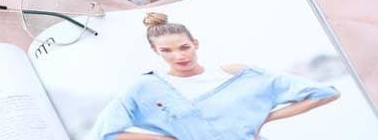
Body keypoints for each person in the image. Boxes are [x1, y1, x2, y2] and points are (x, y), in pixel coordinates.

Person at [89, 13, 340, 140]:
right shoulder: (146, 87)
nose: (178, 56)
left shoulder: (235, 74)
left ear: (195, 43)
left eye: (183, 47)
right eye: (166, 50)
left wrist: (263, 118)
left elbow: (324, 93)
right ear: (155, 51)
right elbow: (106, 133)